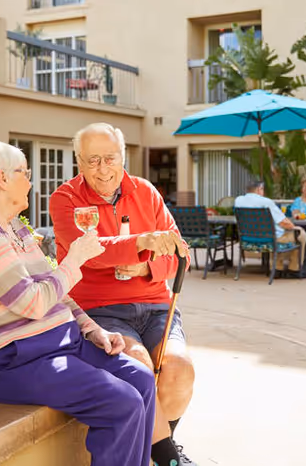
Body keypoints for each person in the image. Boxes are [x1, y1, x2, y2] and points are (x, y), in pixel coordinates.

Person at [0, 139, 185, 466]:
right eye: (24, 173)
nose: (30, 181)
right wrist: (76, 259)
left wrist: (92, 329)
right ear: (2, 179)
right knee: (122, 402)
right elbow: (33, 303)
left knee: (140, 379)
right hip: (7, 360)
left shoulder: (15, 228)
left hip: (55, 346)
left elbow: (58, 296)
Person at [49, 123, 196, 466]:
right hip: (102, 309)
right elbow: (88, 251)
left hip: (156, 305)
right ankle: (168, 458)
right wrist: (141, 243)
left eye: (110, 158)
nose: (103, 169)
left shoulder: (146, 192)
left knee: (180, 370)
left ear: (123, 157)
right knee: (140, 367)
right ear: (79, 162)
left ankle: (157, 447)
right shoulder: (66, 198)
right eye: (93, 160)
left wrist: (147, 269)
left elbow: (180, 254)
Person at [234, 180, 306, 279]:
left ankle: (277, 269)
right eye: (262, 189)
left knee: (277, 234)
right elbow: (284, 223)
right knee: (300, 234)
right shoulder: (266, 201)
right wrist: (292, 226)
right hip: (270, 240)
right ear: (259, 189)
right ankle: (294, 269)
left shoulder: (238, 200)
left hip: (248, 241)